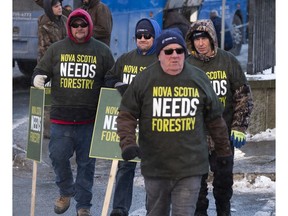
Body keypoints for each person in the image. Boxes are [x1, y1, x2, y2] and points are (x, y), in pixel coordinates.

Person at [116, 29, 233, 216]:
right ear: (159, 55)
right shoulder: (144, 79)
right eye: (168, 51)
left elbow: (215, 119)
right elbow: (126, 114)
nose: (175, 55)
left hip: (191, 166)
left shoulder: (198, 78)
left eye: (179, 51)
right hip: (156, 166)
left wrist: (224, 152)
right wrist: (127, 143)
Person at [31, 8, 115, 216]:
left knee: (87, 165)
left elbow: (111, 77)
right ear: (70, 26)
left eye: (83, 24)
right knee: (58, 157)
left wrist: (118, 87)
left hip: (89, 120)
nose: (79, 28)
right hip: (61, 119)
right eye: (75, 24)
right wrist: (38, 77)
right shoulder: (57, 49)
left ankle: (83, 205)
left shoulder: (102, 51)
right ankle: (66, 191)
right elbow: (41, 69)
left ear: (89, 26)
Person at [185, 19, 254, 216]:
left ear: (212, 38)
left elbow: (243, 96)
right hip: (195, 136)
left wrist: (239, 127)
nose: (200, 43)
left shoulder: (228, 61)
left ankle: (224, 212)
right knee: (196, 187)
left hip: (222, 135)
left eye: (204, 38)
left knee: (223, 184)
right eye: (196, 39)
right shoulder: (186, 64)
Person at [104, 18, 161, 216]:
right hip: (129, 121)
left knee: (152, 168)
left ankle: (153, 209)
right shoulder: (126, 58)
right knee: (125, 165)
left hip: (153, 122)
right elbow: (109, 77)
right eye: (139, 35)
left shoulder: (162, 60)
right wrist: (118, 85)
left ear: (156, 36)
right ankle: (119, 208)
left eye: (148, 35)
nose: (143, 39)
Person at [37, 0, 68, 138]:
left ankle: (64, 127)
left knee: (64, 97)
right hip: (49, 66)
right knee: (49, 101)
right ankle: (49, 132)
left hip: (65, 65)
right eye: (56, 6)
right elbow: (44, 49)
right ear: (50, 8)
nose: (60, 8)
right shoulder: (44, 24)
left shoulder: (65, 20)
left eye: (60, 5)